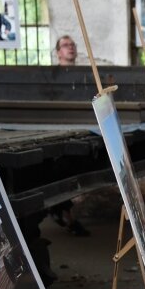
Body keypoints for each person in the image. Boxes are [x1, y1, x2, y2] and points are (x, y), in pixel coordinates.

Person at [50, 35, 91, 237]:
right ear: (58, 52)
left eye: (73, 45)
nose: (70, 48)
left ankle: (64, 213)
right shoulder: (52, 77)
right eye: (65, 45)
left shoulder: (82, 77)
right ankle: (64, 213)